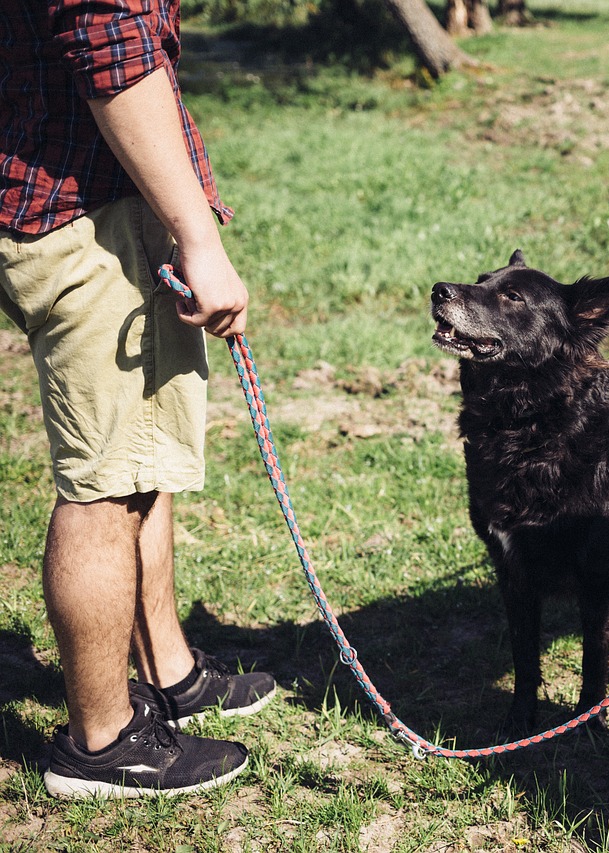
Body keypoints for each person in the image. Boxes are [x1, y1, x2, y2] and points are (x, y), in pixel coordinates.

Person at [1, 0, 277, 797]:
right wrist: (198, 235)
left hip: (72, 191)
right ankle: (101, 740)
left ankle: (169, 671)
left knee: (139, 455)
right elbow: (111, 44)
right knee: (105, 483)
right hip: (85, 209)